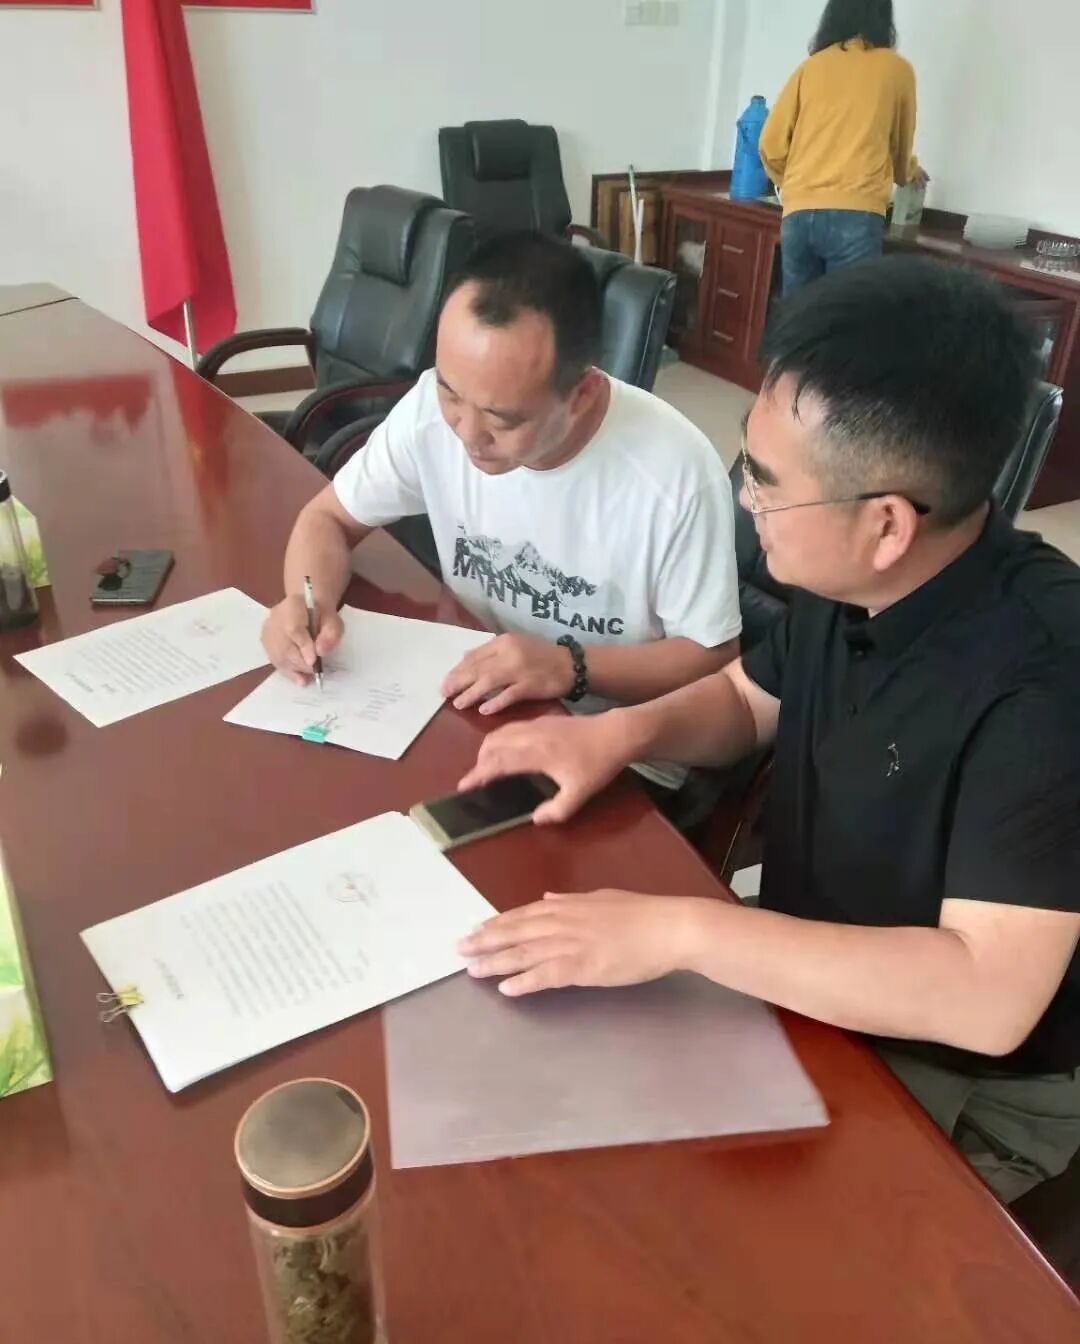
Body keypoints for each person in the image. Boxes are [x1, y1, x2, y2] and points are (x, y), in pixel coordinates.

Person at [456, 256, 1080, 1204]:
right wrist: (616, 736)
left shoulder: (1045, 678)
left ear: (886, 525)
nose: (745, 500)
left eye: (764, 480)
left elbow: (986, 997)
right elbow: (749, 700)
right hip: (805, 976)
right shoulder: (850, 572)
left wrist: (687, 930)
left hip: (966, 1079)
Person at [262, 232, 741, 795]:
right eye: (450, 393)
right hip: (471, 704)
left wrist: (567, 666)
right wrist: (306, 604)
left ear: (582, 394)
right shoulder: (429, 414)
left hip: (613, 751)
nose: (467, 433)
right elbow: (327, 520)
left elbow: (712, 658)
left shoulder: (673, 476)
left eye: (502, 419)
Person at [760, 0, 927, 294]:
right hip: (856, 214)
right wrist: (908, 172)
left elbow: (770, 145)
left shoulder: (811, 68)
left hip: (798, 212)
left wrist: (797, 184)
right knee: (845, 317)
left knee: (799, 316)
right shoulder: (897, 70)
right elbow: (900, 150)